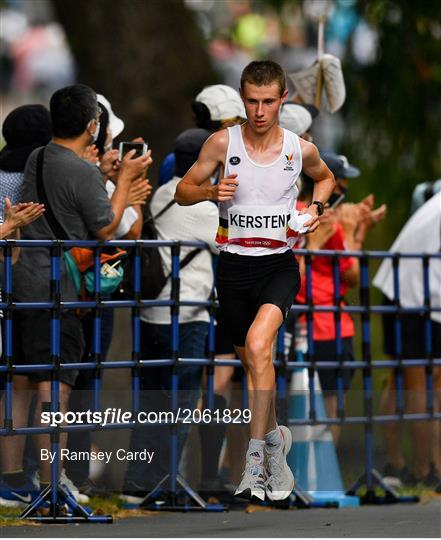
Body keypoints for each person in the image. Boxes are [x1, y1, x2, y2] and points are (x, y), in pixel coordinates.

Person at [175, 60, 335, 502]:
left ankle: (254, 461)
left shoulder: (298, 149)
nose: (260, 111)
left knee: (261, 348)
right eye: (251, 101)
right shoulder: (221, 143)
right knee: (253, 364)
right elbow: (181, 190)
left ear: (282, 99)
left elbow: (325, 180)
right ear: (242, 98)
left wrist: (315, 212)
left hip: (277, 266)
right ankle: (275, 446)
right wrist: (211, 192)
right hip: (233, 268)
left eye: (268, 102)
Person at [0, 84, 150, 507]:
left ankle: (15, 477)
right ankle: (52, 481)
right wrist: (121, 182)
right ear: (92, 126)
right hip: (61, 290)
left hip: (26, 282)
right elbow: (107, 228)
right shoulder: (83, 172)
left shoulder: (38, 157)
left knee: (22, 378)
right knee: (57, 386)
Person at [120, 128, 218, 505]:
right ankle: (169, 484)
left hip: (151, 314)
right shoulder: (205, 208)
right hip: (188, 314)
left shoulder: (163, 194)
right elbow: (235, 242)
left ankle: (137, 482)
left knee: (148, 402)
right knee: (181, 401)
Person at [296, 152, 386, 443]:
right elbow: (353, 275)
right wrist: (351, 231)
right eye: (342, 182)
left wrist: (355, 229)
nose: (346, 188)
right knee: (331, 407)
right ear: (331, 185)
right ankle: (322, 478)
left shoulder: (294, 212)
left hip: (308, 323)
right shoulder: (324, 221)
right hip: (326, 326)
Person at [374, 191, 441, 490]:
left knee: (407, 379)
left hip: (404, 283)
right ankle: (426, 469)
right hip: (416, 290)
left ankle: (409, 465)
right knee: (425, 384)